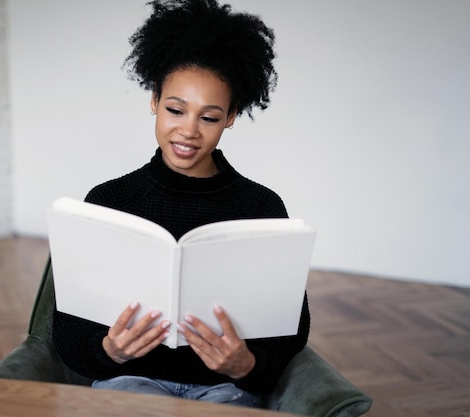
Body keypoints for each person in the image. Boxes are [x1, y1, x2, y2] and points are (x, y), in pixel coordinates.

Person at [52, 0, 309, 408]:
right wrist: (110, 351)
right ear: (154, 100)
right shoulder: (108, 202)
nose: (188, 131)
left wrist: (245, 365)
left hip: (228, 389)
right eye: (175, 109)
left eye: (208, 117)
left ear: (231, 116)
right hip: (130, 381)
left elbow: (291, 330)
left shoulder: (260, 206)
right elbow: (66, 332)